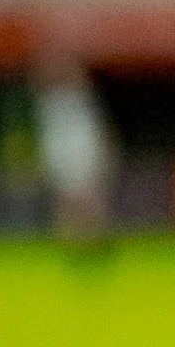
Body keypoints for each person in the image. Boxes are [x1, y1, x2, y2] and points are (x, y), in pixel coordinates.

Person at [32, 53, 114, 244]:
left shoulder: (81, 100)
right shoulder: (49, 103)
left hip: (81, 147)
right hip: (61, 149)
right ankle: (71, 240)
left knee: (88, 196)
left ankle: (93, 240)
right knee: (67, 198)